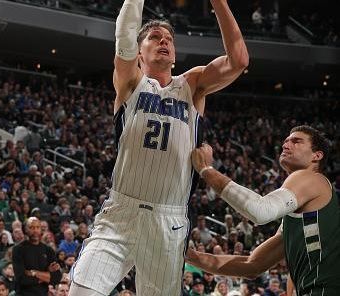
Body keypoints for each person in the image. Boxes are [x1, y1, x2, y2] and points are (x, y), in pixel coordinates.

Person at [70, 0, 248, 294]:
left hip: (170, 221)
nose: (164, 41)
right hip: (121, 213)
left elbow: (239, 60)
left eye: (169, 39)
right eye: (155, 37)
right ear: (139, 53)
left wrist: (218, 3)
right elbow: (124, 34)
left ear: (175, 55)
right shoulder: (130, 82)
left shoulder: (192, 84)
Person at [187, 125, 340, 295]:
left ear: (316, 156)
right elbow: (252, 266)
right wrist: (190, 256)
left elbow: (260, 211)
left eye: (296, 141)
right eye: (286, 141)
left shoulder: (313, 178)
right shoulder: (298, 220)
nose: (286, 145)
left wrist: (205, 169)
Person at [12, 217, 61, 295]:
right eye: (31, 227)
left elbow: (56, 278)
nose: (35, 230)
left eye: (38, 227)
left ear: (41, 229)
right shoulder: (18, 250)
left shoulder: (48, 250)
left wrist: (34, 273)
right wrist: (47, 275)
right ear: (25, 230)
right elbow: (21, 279)